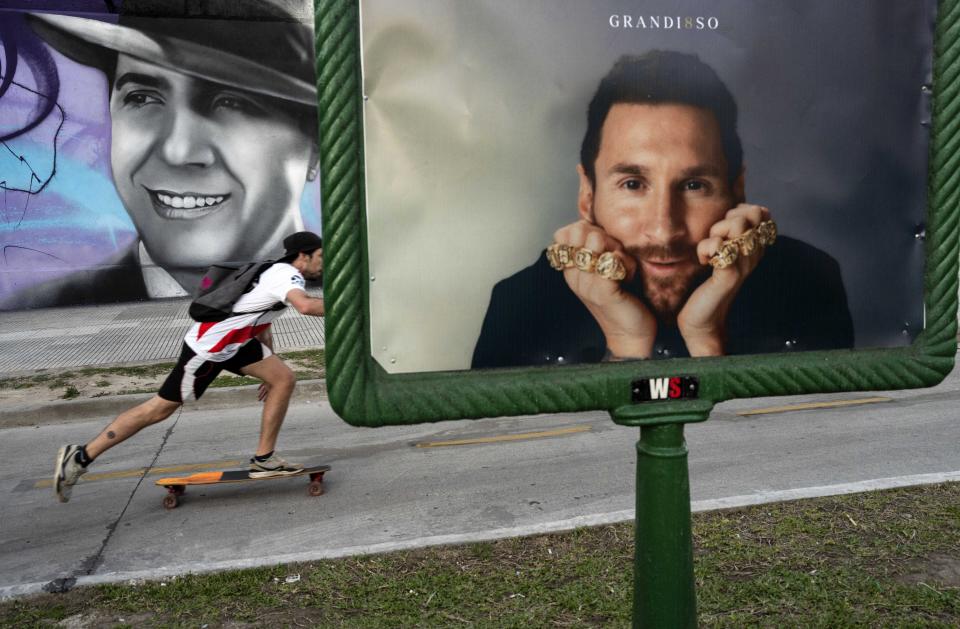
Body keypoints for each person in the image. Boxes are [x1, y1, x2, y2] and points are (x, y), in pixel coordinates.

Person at [472, 51, 854, 368]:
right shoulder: (521, 304)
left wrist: (707, 342)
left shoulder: (807, 282)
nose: (664, 230)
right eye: (633, 184)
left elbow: (795, 447)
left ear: (737, 191)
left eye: (693, 186)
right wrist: (626, 345)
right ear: (587, 194)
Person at [6, 0, 318, 308]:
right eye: (142, 98)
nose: (177, 151)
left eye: (233, 103)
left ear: (315, 146)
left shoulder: (356, 286)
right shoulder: (52, 301)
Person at [53, 231, 326, 503]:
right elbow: (305, 306)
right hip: (209, 348)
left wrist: (270, 367)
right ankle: (80, 456)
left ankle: (264, 458)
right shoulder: (286, 275)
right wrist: (348, 306)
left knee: (283, 379)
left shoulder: (275, 273)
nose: (323, 263)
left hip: (236, 344)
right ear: (303, 256)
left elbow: (260, 319)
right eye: (320, 256)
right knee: (159, 409)